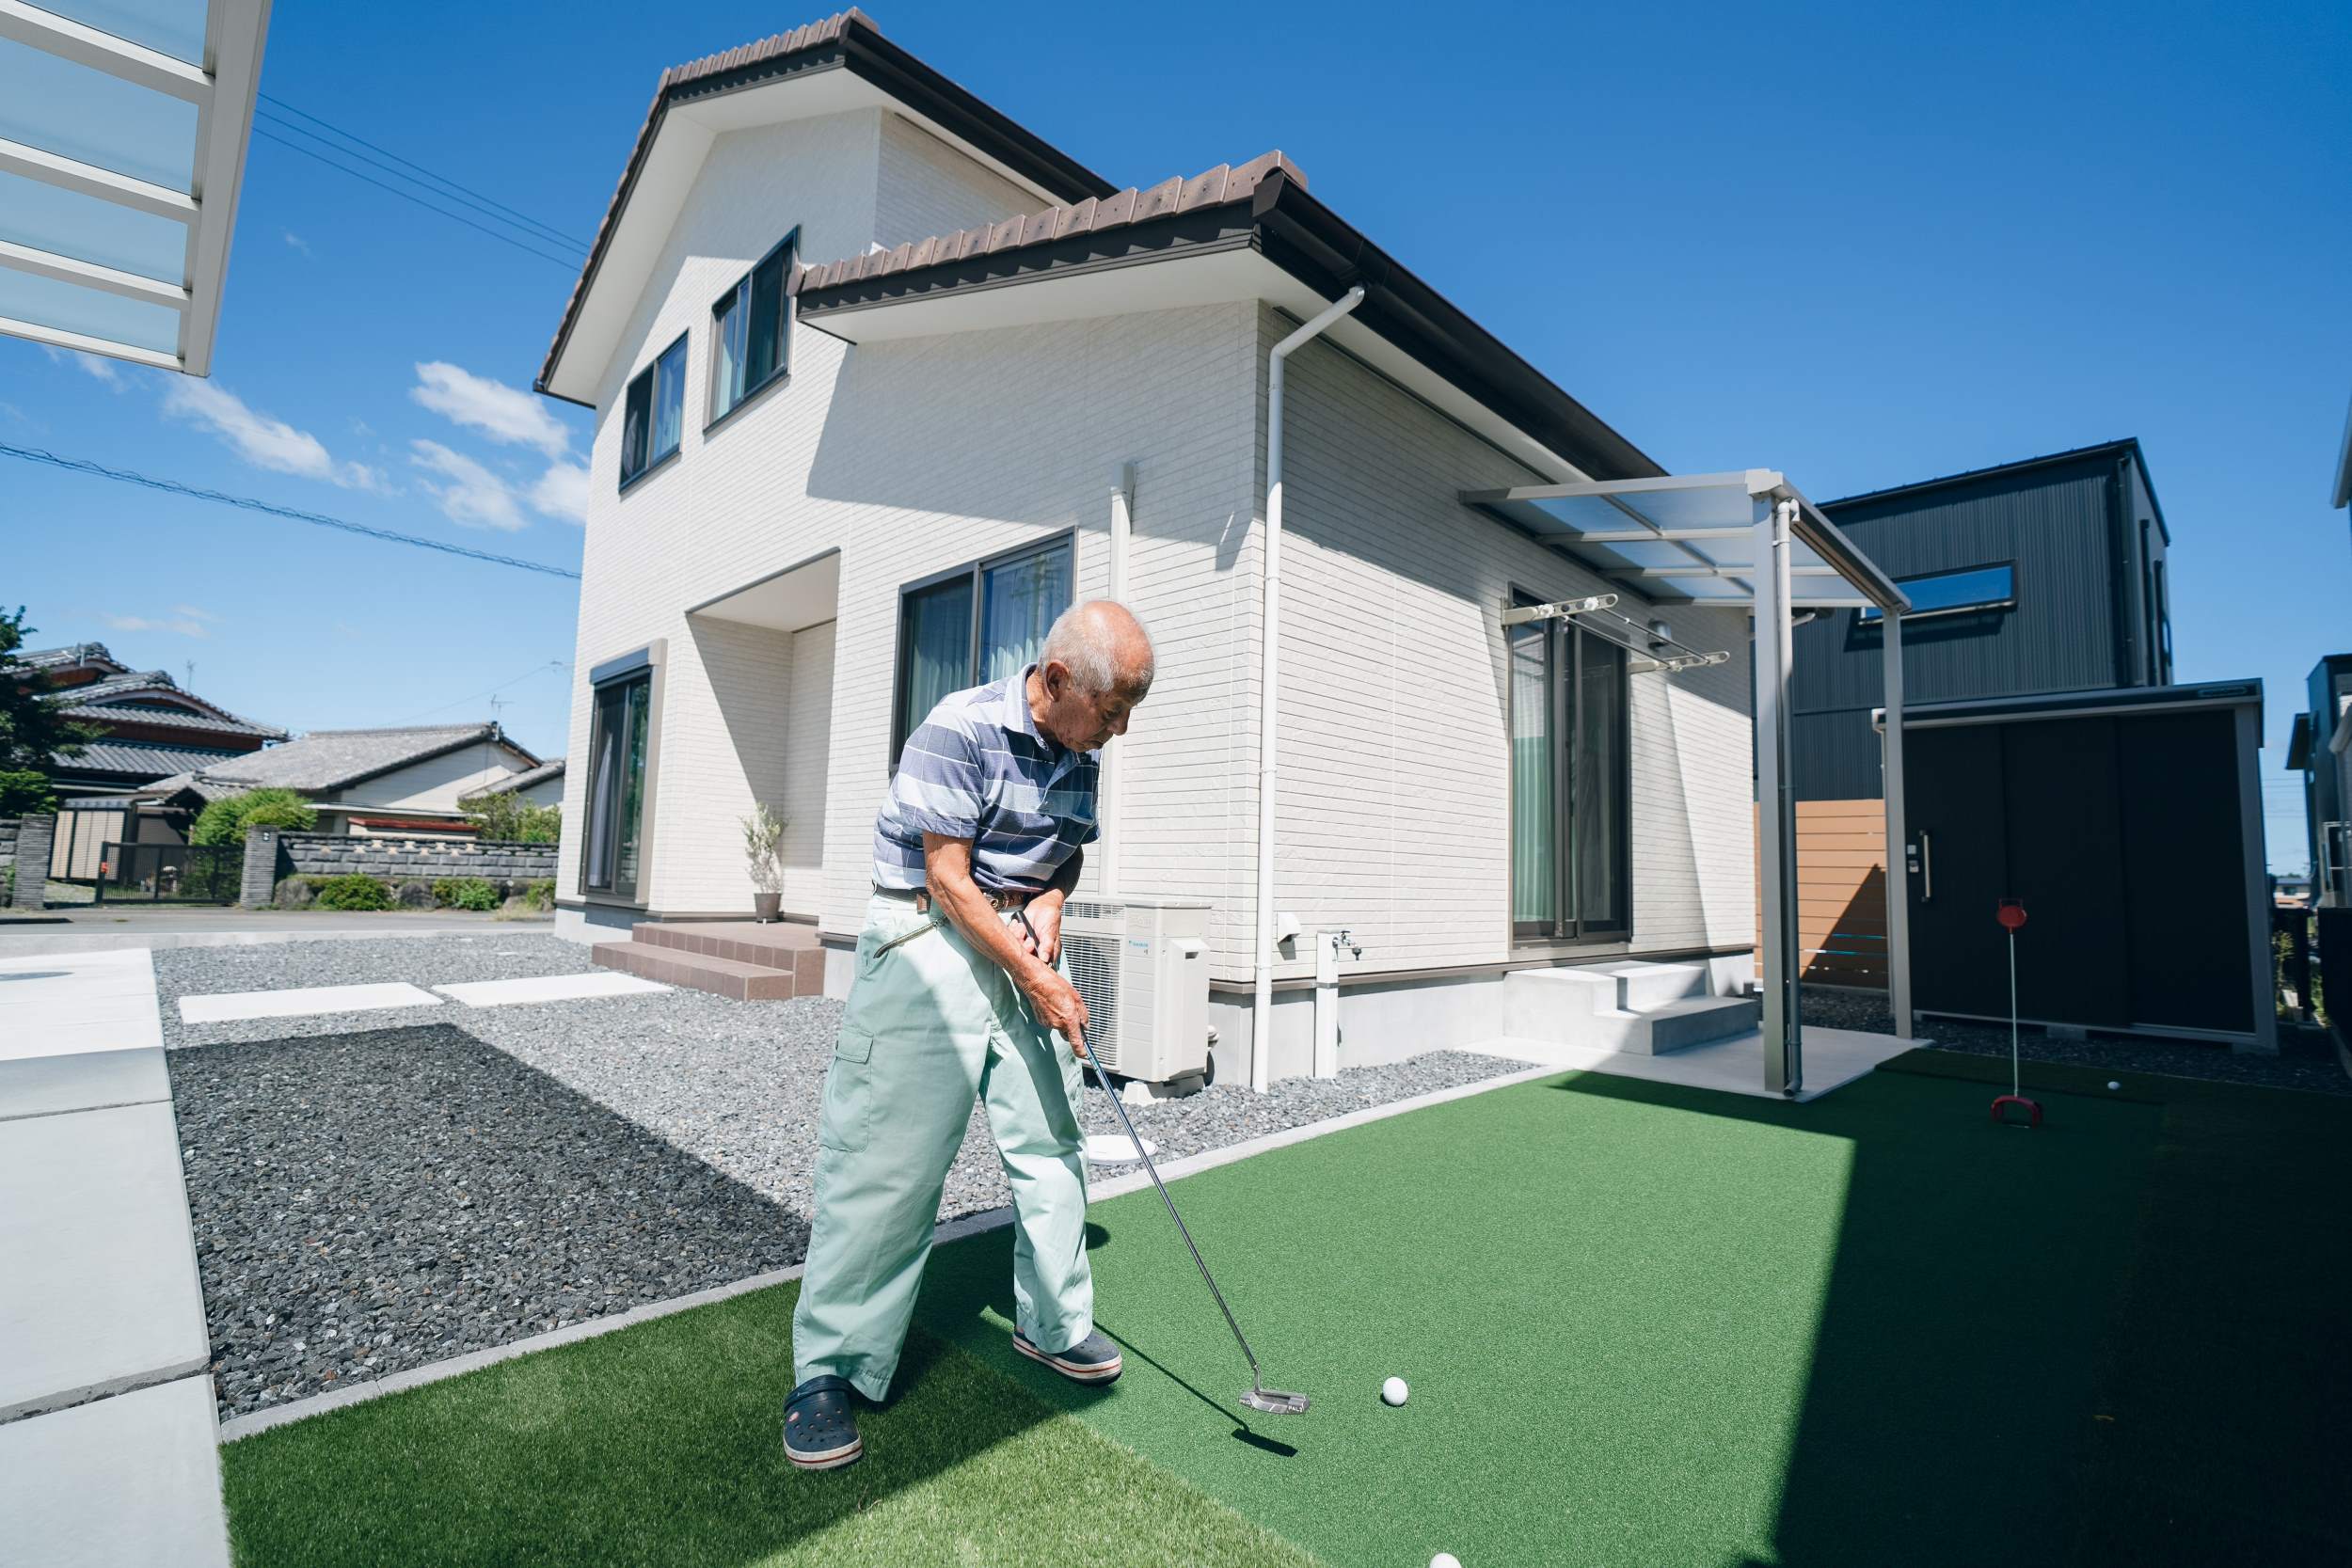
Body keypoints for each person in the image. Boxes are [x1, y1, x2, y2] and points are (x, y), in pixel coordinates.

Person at [784, 599, 1155, 1470]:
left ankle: (1053, 1323)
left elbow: (1063, 854)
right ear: (1058, 680)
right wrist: (1037, 975)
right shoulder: (960, 728)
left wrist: (1051, 910)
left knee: (1052, 1140)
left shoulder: (1079, 749)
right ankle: (828, 1370)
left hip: (1013, 936)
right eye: (1113, 710)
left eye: (1130, 711)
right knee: (888, 1160)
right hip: (925, 936)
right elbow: (948, 880)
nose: (1120, 730)